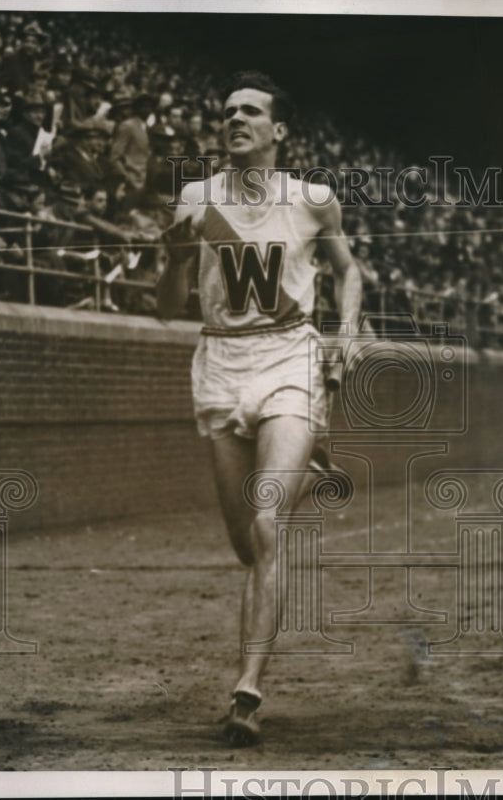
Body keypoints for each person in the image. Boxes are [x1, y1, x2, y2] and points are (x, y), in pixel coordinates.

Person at [157, 71, 361, 747]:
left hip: (287, 358)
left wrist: (351, 326)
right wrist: (178, 254)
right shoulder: (196, 197)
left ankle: (247, 691)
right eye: (227, 111)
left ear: (278, 130)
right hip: (219, 363)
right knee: (245, 541)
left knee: (269, 526)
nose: (234, 118)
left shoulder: (312, 200)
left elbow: (348, 268)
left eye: (250, 110)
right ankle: (312, 465)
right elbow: (168, 304)